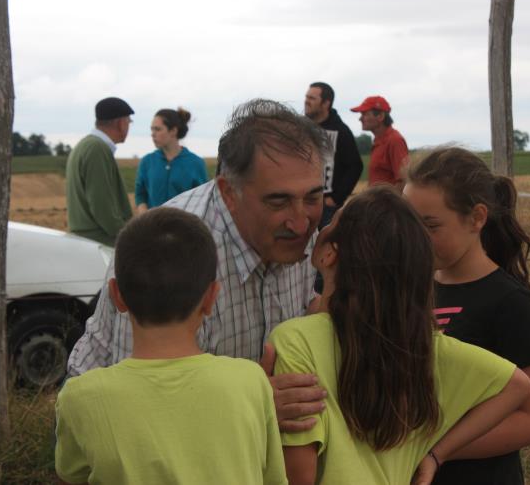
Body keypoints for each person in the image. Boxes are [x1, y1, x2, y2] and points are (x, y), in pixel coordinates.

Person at [68, 98, 329, 432]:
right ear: (228, 193)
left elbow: (306, 303)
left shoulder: (300, 230)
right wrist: (254, 407)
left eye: (313, 197)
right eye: (278, 201)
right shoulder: (168, 254)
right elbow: (131, 411)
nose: (300, 222)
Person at [270, 185, 530, 485]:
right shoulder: (425, 345)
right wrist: (436, 454)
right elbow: (518, 386)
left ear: (329, 253)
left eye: (333, 222)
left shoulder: (295, 341)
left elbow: (298, 477)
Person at [55, 208, 287, 484]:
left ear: (116, 295)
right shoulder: (251, 382)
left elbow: (71, 475)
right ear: (211, 297)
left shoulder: (79, 398)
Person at [404, 147, 530, 484]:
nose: (416, 239)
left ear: (476, 218)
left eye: (430, 226)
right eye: (409, 224)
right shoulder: (411, 289)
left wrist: (437, 451)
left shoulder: (510, 301)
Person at [65, 97, 134, 246]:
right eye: (129, 122)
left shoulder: (85, 145)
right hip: (100, 243)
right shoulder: (97, 149)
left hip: (86, 241)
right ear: (121, 123)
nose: (128, 126)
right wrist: (127, 236)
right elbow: (101, 204)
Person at [303, 82, 363, 229]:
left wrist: (336, 199)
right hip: (302, 201)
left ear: (326, 103)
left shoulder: (340, 131)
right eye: (306, 97)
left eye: (312, 98)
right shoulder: (301, 128)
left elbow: (355, 166)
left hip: (326, 207)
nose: (306, 101)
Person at [134, 107, 208, 213]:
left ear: (173, 131)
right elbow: (140, 194)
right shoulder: (147, 162)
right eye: (152, 129)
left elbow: (203, 200)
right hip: (152, 227)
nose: (153, 134)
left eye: (158, 129)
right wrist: (145, 218)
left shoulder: (196, 163)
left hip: (184, 227)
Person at [350, 95, 409, 190]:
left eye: (364, 114)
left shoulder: (394, 140)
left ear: (380, 116)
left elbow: (403, 180)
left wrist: (388, 203)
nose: (360, 119)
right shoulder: (379, 141)